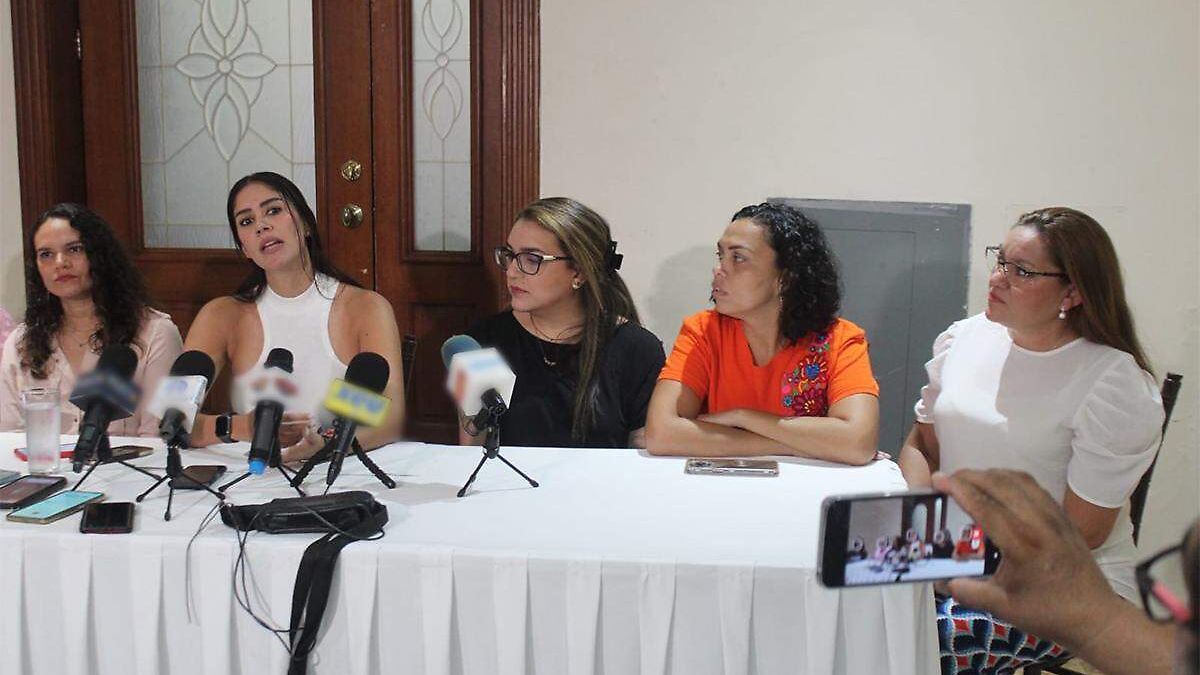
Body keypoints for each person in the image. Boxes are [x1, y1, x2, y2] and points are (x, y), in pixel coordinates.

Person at [897, 207, 1165, 673]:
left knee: (920, 642)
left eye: (1021, 271)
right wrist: (920, 530)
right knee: (854, 611)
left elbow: (1081, 533)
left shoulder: (1111, 381)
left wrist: (953, 556)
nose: (997, 279)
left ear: (1073, 292)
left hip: (1064, 585)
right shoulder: (966, 338)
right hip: (953, 555)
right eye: (1000, 261)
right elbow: (922, 445)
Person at [184, 172, 404, 459]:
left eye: (273, 210)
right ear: (244, 248)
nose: (262, 225)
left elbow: (390, 416)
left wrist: (325, 445)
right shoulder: (222, 315)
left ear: (306, 224)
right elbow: (172, 418)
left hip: (340, 468)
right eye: (247, 221)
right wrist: (245, 427)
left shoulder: (364, 307)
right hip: (254, 471)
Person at [646, 202, 879, 462]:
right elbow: (661, 434)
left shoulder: (840, 339)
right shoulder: (702, 331)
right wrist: (789, 445)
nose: (718, 269)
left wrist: (744, 418)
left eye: (738, 258)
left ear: (785, 278)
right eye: (721, 256)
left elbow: (858, 443)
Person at [934, 468, 1195, 675]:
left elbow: (1087, 532)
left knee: (938, 640)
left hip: (1073, 580)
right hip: (979, 558)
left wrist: (1098, 618)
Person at [463, 197, 664, 448]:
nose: (512, 271)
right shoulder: (483, 340)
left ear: (579, 272)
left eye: (532, 259)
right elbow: (471, 448)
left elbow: (643, 453)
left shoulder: (637, 349)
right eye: (510, 255)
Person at [0, 203, 181, 436]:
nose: (60, 263)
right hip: (43, 461)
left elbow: (158, 437)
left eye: (74, 249)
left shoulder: (155, 333)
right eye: (46, 254)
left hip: (130, 460)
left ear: (100, 256)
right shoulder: (21, 342)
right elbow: (8, 437)